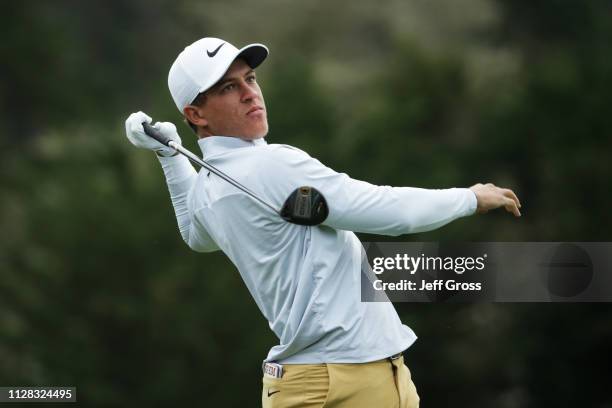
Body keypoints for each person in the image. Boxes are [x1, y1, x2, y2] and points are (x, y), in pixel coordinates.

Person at [125, 37, 521, 408]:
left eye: (250, 79)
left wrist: (170, 157)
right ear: (196, 114)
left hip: (317, 379)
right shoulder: (270, 165)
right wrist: (468, 198)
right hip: (344, 381)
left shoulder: (209, 181)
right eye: (228, 87)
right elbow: (387, 211)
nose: (250, 93)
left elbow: (196, 236)